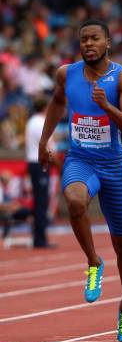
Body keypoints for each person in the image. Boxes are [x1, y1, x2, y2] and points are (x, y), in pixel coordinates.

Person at [38, 19, 122, 342]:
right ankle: (94, 261)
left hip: (112, 166)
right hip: (80, 160)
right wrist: (44, 141)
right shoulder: (66, 74)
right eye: (83, 39)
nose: (88, 44)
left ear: (108, 42)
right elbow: (56, 102)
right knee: (75, 200)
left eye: (94, 38)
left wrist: (106, 106)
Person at [25, 96, 55, 248]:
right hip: (39, 163)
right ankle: (40, 239)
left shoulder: (32, 121)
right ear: (45, 107)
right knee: (41, 202)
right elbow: (49, 146)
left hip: (34, 163)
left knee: (39, 201)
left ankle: (39, 238)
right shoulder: (40, 122)